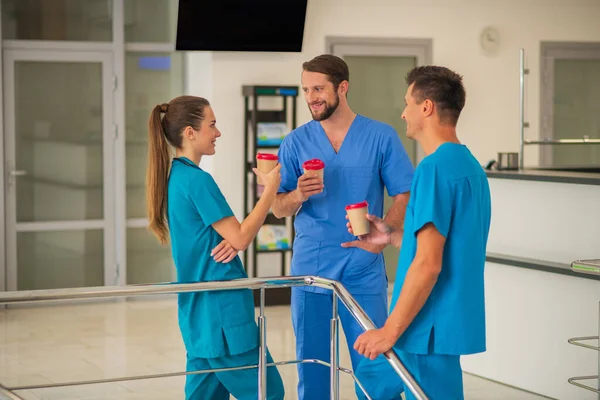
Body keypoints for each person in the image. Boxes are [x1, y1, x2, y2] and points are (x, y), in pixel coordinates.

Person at [271, 54, 415, 399]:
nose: (311, 97)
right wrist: (297, 195)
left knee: (375, 361)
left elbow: (405, 195)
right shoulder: (295, 142)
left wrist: (384, 234)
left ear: (343, 87)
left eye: (318, 88)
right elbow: (276, 206)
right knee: (313, 362)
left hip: (362, 266)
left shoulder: (381, 136)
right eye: (306, 90)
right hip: (311, 266)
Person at [351, 66, 492, 400]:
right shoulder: (469, 166)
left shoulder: (433, 169)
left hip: (427, 325)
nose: (403, 113)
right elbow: (449, 243)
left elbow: (429, 264)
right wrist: (391, 237)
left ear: (426, 107)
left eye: (407, 104)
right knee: (372, 379)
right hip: (434, 322)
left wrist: (389, 331)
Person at [146, 95, 285, 400]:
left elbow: (223, 239)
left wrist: (230, 241)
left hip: (198, 314)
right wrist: (269, 191)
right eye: (212, 125)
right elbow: (239, 238)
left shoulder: (176, 178)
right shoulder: (198, 181)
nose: (218, 132)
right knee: (269, 393)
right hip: (223, 313)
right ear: (190, 132)